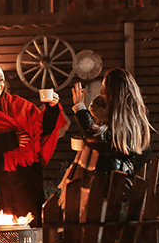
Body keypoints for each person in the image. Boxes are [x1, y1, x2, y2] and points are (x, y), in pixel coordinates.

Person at [0, 61, 68, 226]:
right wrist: (11, 140)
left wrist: (52, 108)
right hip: (0, 181)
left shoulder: (19, 104)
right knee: (5, 226)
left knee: (31, 222)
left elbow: (42, 129)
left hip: (26, 177)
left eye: (0, 79)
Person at [60, 67, 153, 204]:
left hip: (107, 188)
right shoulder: (117, 119)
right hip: (105, 185)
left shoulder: (124, 124)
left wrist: (80, 108)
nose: (101, 92)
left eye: (104, 87)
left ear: (115, 92)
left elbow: (96, 138)